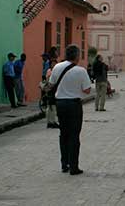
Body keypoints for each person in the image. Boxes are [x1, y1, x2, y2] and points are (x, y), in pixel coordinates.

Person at [49, 44, 91, 175]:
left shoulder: (57, 67)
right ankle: (74, 166)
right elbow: (87, 90)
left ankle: (64, 163)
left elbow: (51, 84)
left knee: (63, 134)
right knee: (74, 135)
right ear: (77, 56)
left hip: (60, 104)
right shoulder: (81, 71)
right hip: (74, 104)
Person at [43, 60, 60, 129]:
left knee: (51, 106)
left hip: (54, 90)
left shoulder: (55, 71)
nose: (54, 65)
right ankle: (51, 122)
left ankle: (50, 122)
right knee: (51, 106)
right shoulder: (50, 71)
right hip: (51, 90)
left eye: (55, 64)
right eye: (53, 64)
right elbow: (48, 80)